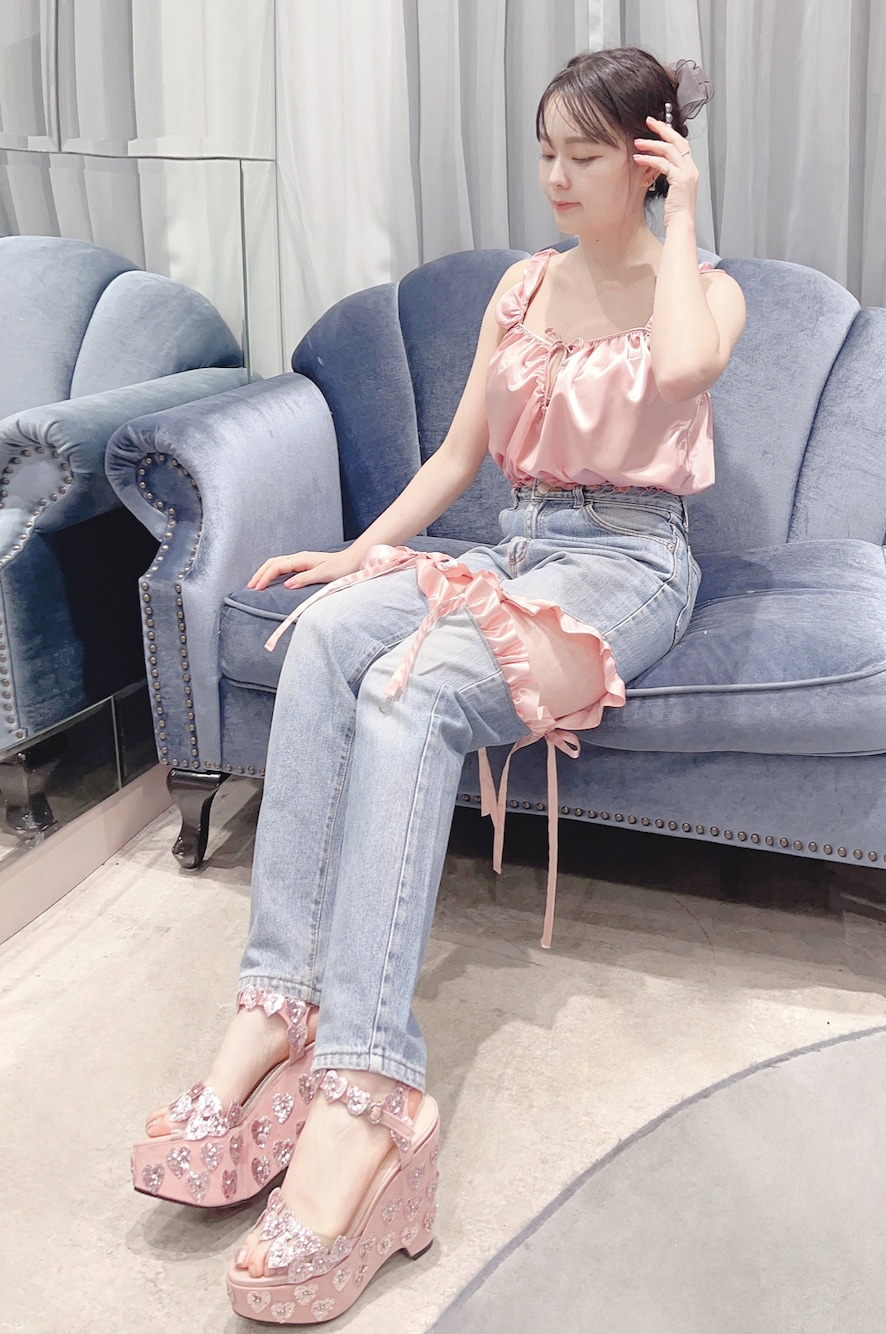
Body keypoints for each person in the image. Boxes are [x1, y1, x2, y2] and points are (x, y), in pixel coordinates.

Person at [131, 45, 746, 1325]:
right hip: (513, 543)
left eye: (587, 154)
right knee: (324, 637)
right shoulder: (521, 287)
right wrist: (358, 556)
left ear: (647, 160)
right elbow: (461, 454)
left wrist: (684, 214)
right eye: (546, 151)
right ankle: (276, 1008)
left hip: (631, 564)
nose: (557, 177)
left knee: (409, 696)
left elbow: (686, 370)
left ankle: (369, 1093)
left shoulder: (705, 292)